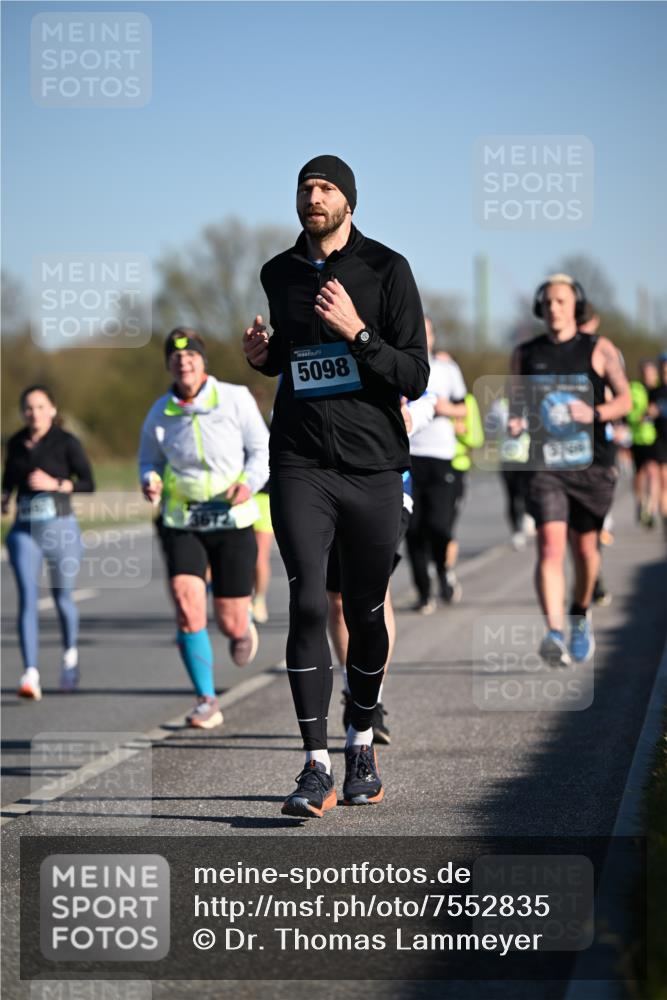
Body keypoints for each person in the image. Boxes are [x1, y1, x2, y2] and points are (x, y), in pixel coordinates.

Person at [243, 155, 429, 817]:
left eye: (324, 188)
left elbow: (413, 375)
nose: (312, 196)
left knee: (365, 609)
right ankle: (314, 765)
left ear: (347, 200)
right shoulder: (278, 273)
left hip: (373, 464)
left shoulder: (387, 269)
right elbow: (296, 358)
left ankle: (360, 744)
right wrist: (267, 362)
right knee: (307, 603)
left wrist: (358, 331)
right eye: (304, 187)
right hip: (298, 461)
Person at [139, 328, 269, 729]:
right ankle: (206, 700)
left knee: (229, 622)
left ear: (203, 362)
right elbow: (148, 459)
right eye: (176, 359)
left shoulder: (234, 398)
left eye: (191, 356)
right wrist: (150, 480)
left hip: (232, 520)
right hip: (183, 520)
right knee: (185, 601)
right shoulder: (161, 412)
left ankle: (241, 622)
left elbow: (262, 449)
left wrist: (248, 483)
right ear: (169, 366)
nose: (184, 363)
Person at [509, 275, 631, 666]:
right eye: (546, 303)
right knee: (549, 545)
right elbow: (517, 404)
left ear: (575, 305)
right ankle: (555, 633)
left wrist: (594, 412)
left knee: (585, 550)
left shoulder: (599, 349)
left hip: (592, 464)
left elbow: (625, 400)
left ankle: (579, 613)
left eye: (560, 301)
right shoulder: (525, 353)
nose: (553, 308)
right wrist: (515, 422)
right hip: (546, 464)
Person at [327, 392, 436, 747]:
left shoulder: (384, 341)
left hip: (387, 485)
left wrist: (410, 416)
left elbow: (425, 393)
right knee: (340, 598)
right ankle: (350, 690)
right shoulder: (309, 341)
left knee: (375, 591)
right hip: (326, 486)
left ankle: (371, 699)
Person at [2, 384, 95, 699]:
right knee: (27, 597)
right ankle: (30, 674)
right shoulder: (16, 443)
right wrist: (4, 497)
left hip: (61, 529)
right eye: (28, 408)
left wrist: (56, 484)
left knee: (62, 598)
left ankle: (70, 658)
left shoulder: (66, 442)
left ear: (53, 410)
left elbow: (88, 482)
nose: (34, 413)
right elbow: (9, 481)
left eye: (40, 407)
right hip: (24, 531)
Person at [406, 317, 468, 613]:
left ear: (433, 336)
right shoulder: (398, 363)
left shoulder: (446, 369)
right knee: (413, 529)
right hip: (407, 457)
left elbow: (465, 407)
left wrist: (445, 408)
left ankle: (444, 570)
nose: (421, 336)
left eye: (426, 331)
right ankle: (424, 593)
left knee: (439, 526)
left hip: (442, 456)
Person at [628, 360, 660, 528]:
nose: (649, 376)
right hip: (637, 437)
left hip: (654, 438)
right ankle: (640, 502)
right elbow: (627, 411)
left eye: (651, 373)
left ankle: (651, 509)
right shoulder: (635, 389)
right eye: (646, 373)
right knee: (639, 474)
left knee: (653, 472)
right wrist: (639, 416)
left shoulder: (660, 391)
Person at [647, 351, 667, 538]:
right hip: (660, 440)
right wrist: (649, 413)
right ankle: (664, 519)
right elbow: (646, 415)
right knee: (663, 479)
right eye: (663, 366)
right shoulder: (655, 391)